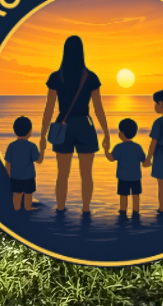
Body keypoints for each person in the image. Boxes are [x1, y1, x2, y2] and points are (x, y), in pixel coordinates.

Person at [38, 34, 110, 217]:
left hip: (63, 125)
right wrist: (106, 134)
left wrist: (42, 137)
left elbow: (49, 110)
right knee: (86, 174)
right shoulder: (90, 77)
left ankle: (61, 209)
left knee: (62, 174)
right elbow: (98, 109)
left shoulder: (56, 77)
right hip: (84, 126)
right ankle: (86, 210)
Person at [108, 118, 145, 219]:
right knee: (136, 195)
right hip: (136, 177)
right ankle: (136, 212)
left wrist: (106, 150)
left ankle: (123, 212)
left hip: (123, 177)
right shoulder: (138, 147)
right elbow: (143, 160)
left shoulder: (119, 147)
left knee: (123, 196)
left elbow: (111, 158)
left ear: (122, 133)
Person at [3, 114, 40, 212]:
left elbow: (8, 163)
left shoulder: (11, 146)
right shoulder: (32, 146)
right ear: (30, 131)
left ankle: (16, 208)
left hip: (15, 177)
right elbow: (38, 160)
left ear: (15, 131)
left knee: (16, 194)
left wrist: (9, 176)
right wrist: (42, 150)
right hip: (29, 176)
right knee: (28, 193)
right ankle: (28, 207)